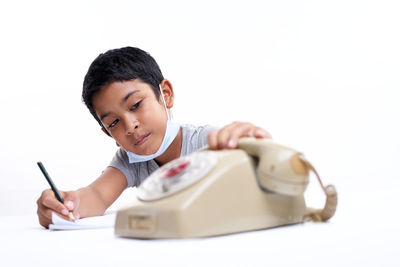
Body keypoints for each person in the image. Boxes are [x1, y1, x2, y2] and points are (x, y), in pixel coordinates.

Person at [36, 47, 271, 228]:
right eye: (113, 123)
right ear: (109, 134)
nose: (130, 125)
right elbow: (96, 196)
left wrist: (252, 144)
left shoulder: (208, 142)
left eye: (136, 104)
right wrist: (65, 204)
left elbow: (262, 167)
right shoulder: (130, 161)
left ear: (165, 94)